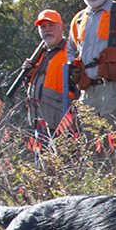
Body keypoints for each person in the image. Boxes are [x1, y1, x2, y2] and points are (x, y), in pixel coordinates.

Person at [25, 9, 78, 142]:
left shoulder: (71, 52)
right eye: (43, 27)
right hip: (40, 126)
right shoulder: (40, 55)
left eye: (51, 25)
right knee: (42, 163)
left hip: (63, 128)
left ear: (62, 28)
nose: (47, 29)